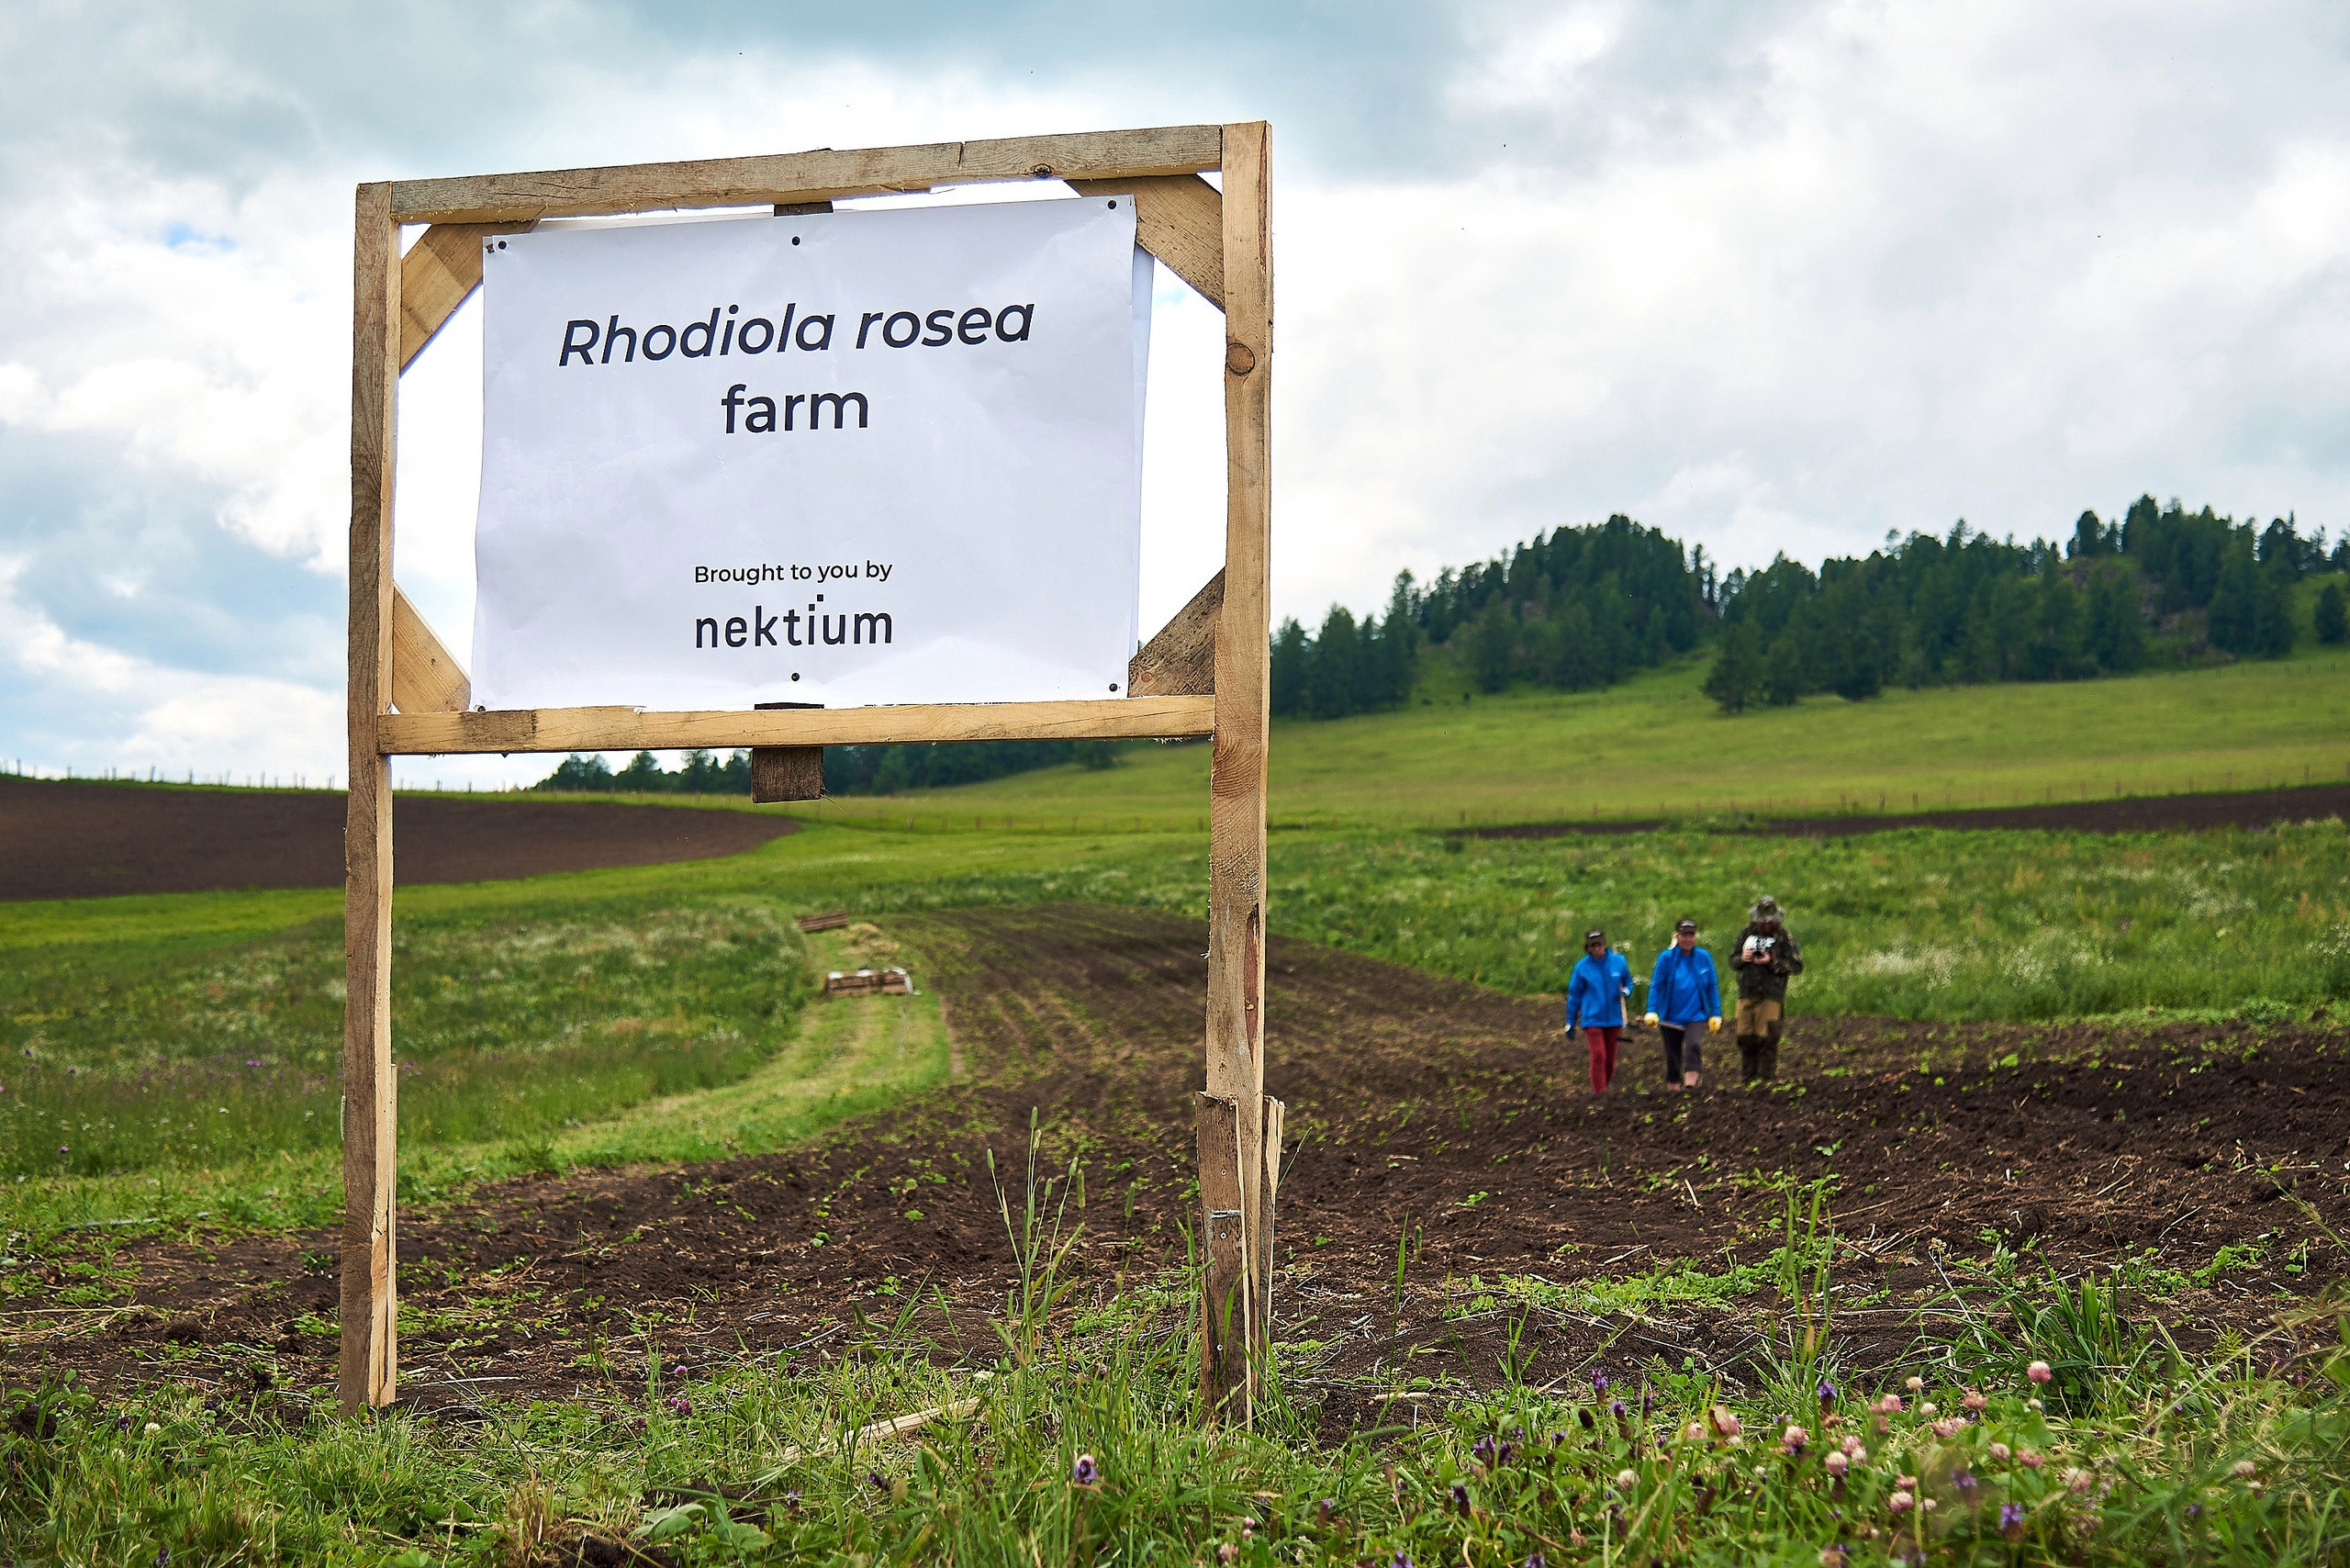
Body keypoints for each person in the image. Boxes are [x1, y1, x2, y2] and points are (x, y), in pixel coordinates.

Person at [1729, 894, 1804, 1083]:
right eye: (1763, 921)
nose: (1766, 925)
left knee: (1767, 1038)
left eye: (1770, 921)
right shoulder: (1746, 933)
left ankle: (1765, 1081)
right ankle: (1748, 1079)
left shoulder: (1784, 937)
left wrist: (1773, 962)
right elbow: (1733, 960)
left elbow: (1796, 966)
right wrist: (1743, 959)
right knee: (1745, 1038)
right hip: (1747, 992)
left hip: (1772, 994)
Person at [1642, 918, 1722, 1090]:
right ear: (1677, 936)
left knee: (1693, 1045)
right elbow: (1656, 985)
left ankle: (1690, 1087)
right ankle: (1673, 1092)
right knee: (1673, 1054)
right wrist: (1652, 1010)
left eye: (1691, 935)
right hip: (1670, 1016)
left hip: (1696, 1015)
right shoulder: (1666, 958)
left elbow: (1711, 986)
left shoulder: (1704, 957)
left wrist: (1715, 1013)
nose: (1687, 939)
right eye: (1684, 935)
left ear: (1695, 936)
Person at [1565, 927, 1636, 1093]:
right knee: (1598, 1056)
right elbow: (1574, 996)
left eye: (1600, 944)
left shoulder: (1619, 961)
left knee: (1610, 1061)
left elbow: (1628, 982)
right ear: (1588, 947)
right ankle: (1599, 1094)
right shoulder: (1582, 967)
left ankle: (1602, 1090)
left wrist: (1626, 992)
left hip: (1614, 1018)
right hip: (1592, 1019)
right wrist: (1570, 1021)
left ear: (1605, 944)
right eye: (1593, 945)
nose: (1597, 948)